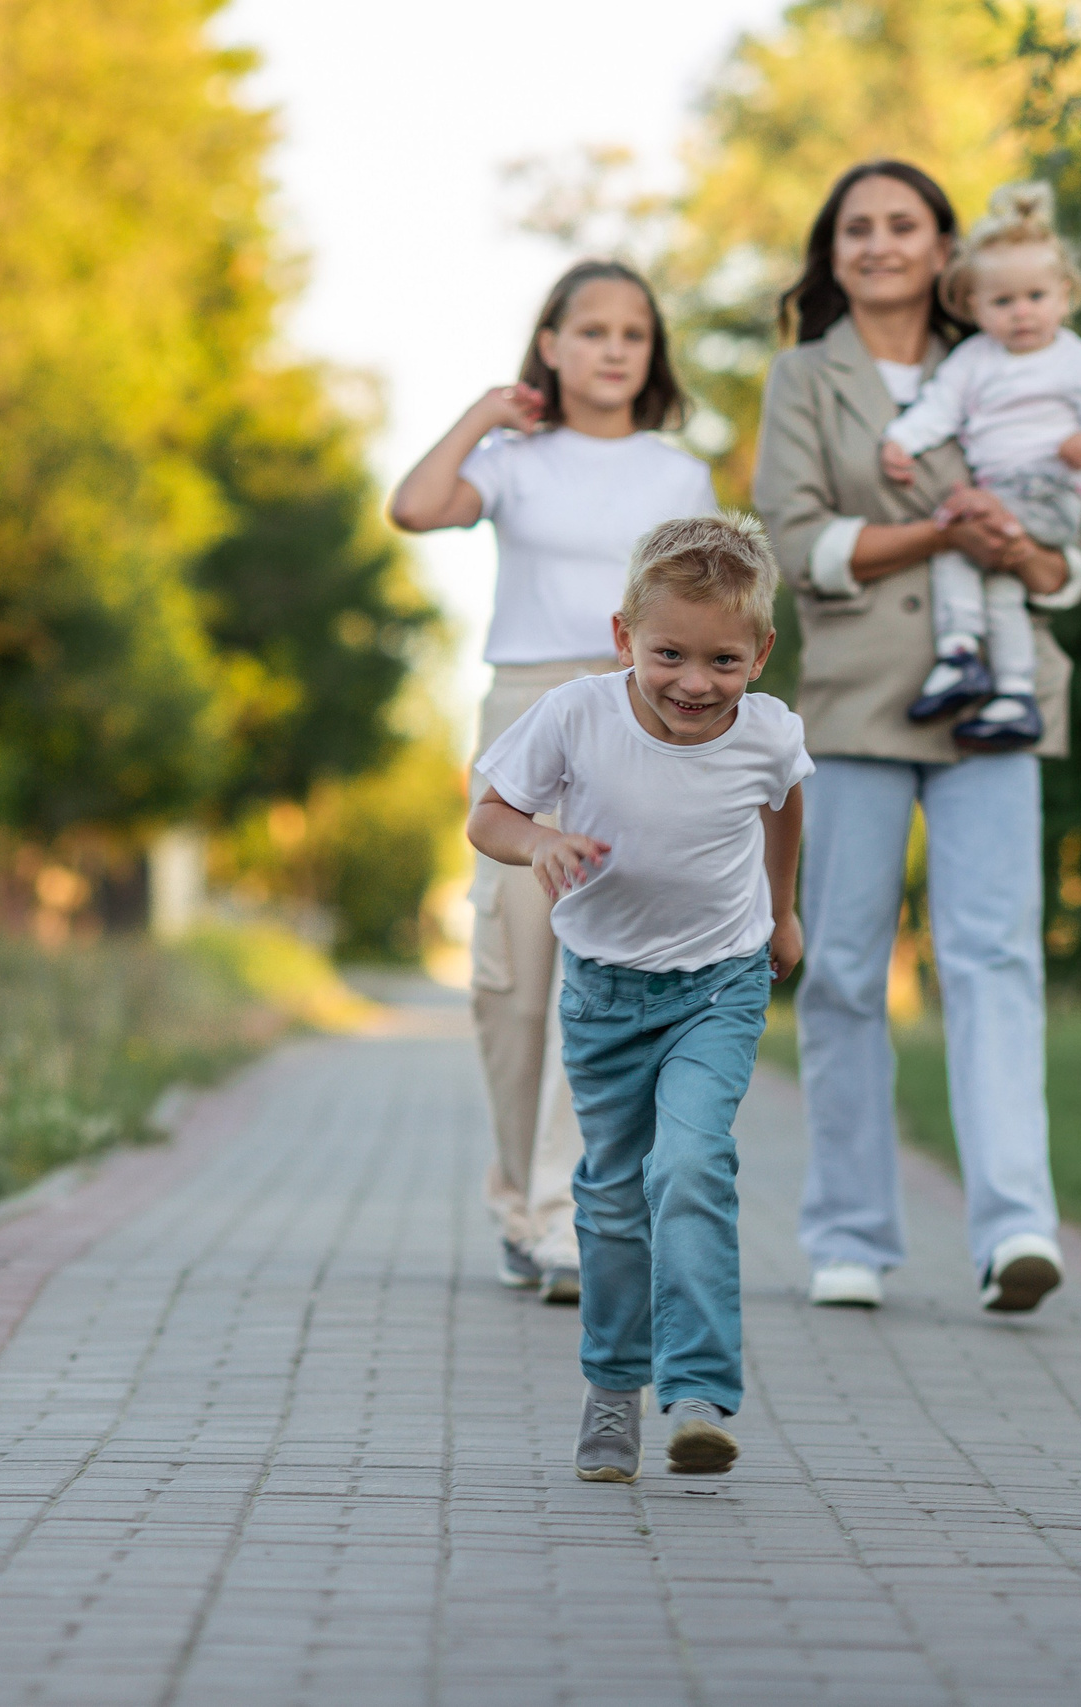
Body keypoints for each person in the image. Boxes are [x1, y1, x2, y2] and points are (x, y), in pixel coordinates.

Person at [752, 160, 1081, 1315]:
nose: (880, 243)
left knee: (995, 959)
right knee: (845, 967)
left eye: (903, 224)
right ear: (832, 250)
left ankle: (1016, 1230)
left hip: (998, 690)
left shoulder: (1011, 352)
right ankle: (850, 1237)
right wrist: (944, 533)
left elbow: (1065, 553)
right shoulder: (805, 377)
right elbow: (795, 543)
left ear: (945, 247)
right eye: (857, 227)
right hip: (858, 697)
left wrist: (1021, 551)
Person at [389, 260, 716, 1306]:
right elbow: (414, 507)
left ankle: (568, 1216)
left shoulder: (678, 476)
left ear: (651, 353)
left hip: (636, 709)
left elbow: (706, 606)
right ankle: (517, 1209)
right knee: (514, 978)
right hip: (527, 708)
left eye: (634, 333)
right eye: (593, 331)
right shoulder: (513, 462)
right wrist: (484, 415)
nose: (615, 349)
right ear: (553, 346)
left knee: (604, 968)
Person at [466, 514, 811, 1483]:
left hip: (719, 984)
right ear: (625, 637)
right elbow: (488, 815)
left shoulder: (770, 730)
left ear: (759, 654)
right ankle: (614, 1387)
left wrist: (783, 911)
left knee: (691, 1165)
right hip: (606, 994)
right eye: (670, 655)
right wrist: (539, 841)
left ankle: (697, 1393)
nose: (695, 683)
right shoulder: (576, 715)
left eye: (723, 661)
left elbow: (785, 802)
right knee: (614, 1194)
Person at [881, 181, 1081, 751]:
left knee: (955, 533)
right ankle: (1014, 693)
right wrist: (902, 440)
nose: (1022, 313)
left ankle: (958, 653)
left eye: (1036, 297)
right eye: (1002, 302)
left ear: (1065, 296)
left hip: (1049, 492)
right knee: (998, 585)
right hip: (1002, 493)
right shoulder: (974, 360)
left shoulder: (1078, 361)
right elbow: (939, 407)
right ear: (975, 307)